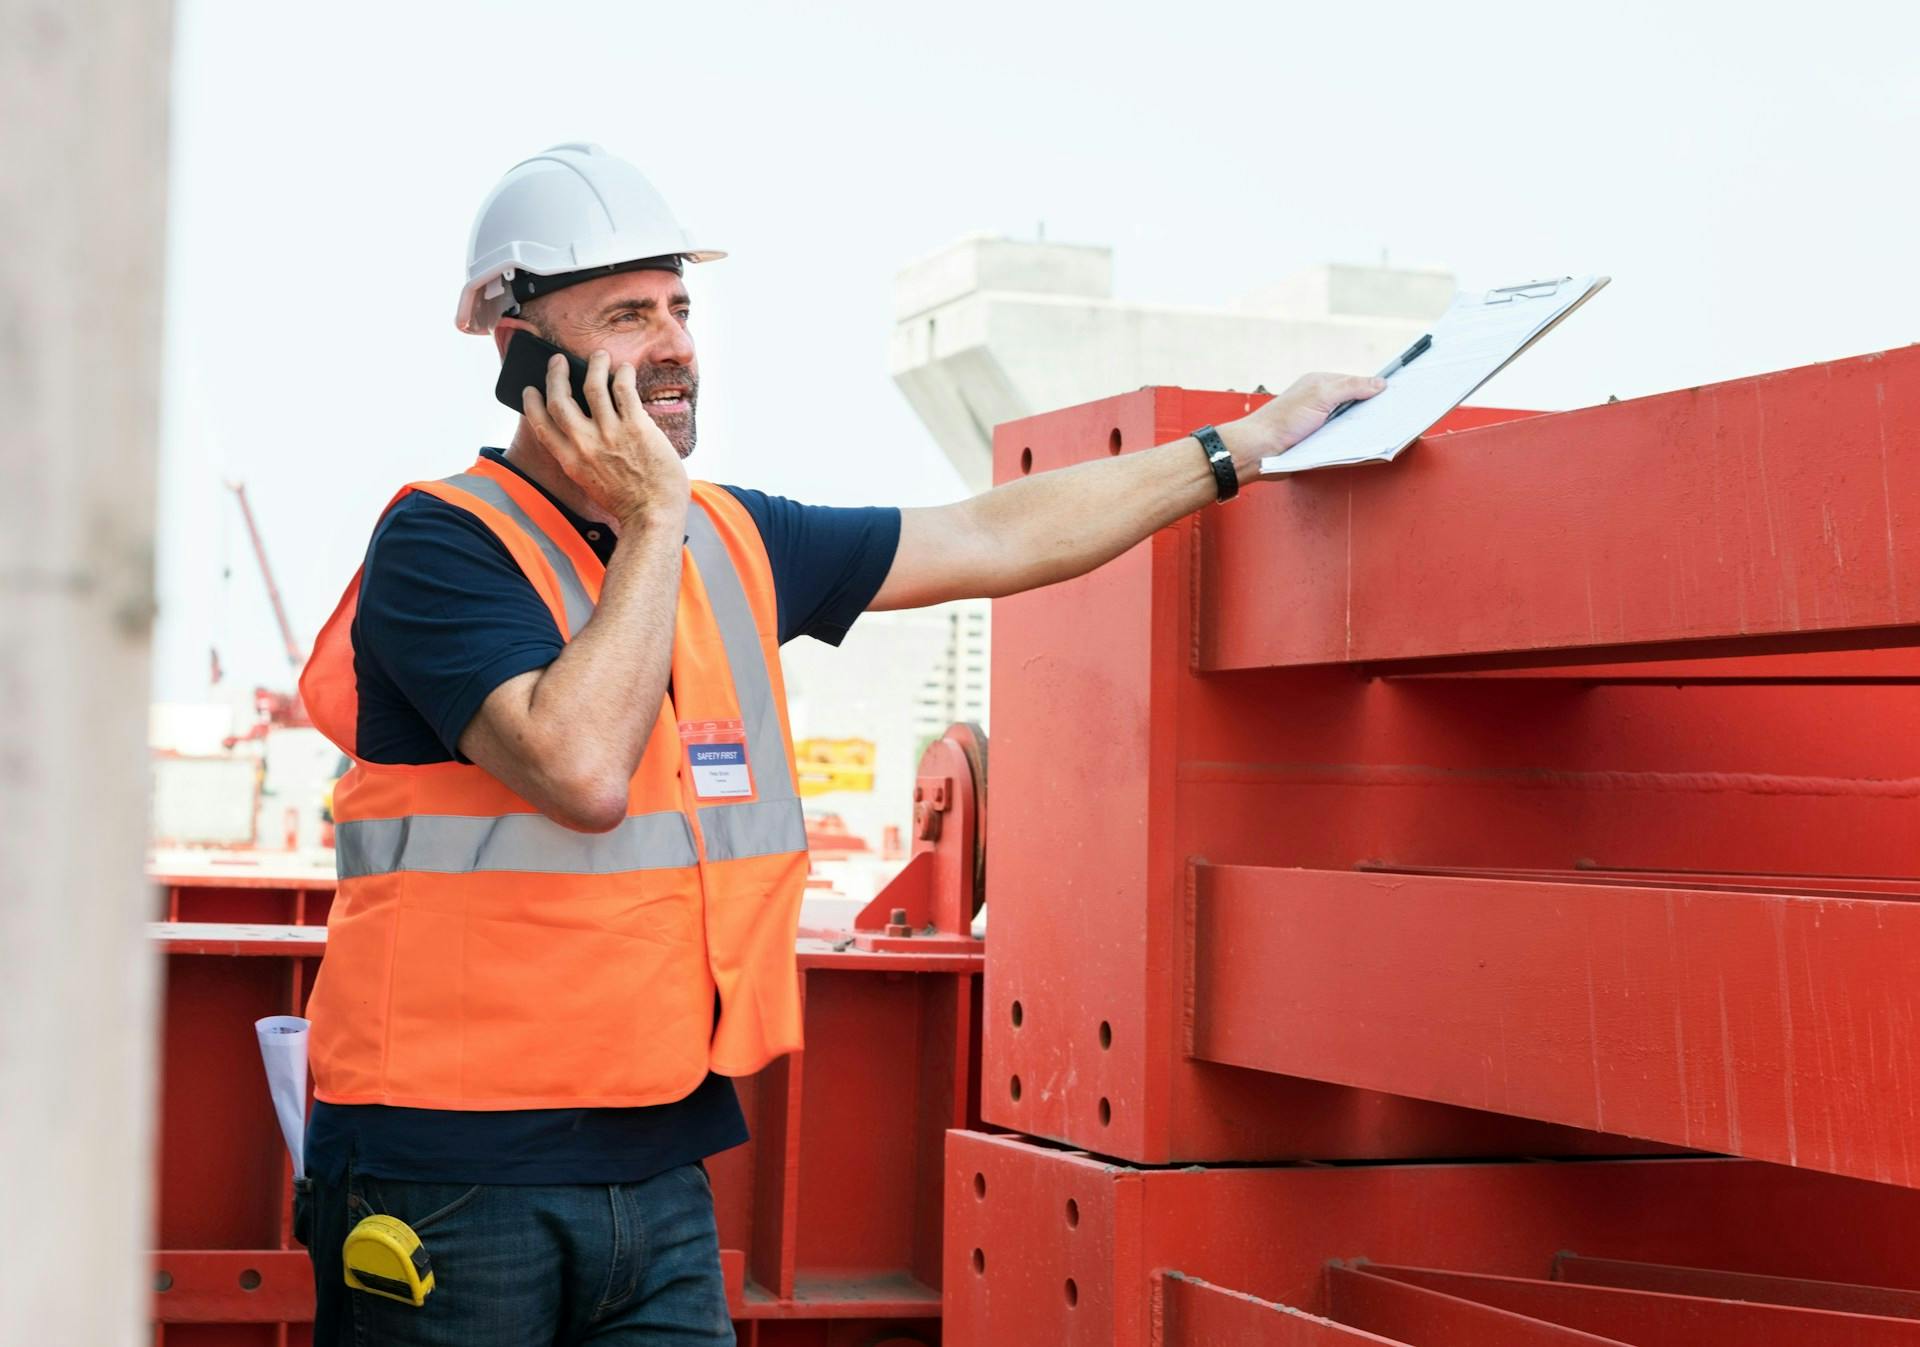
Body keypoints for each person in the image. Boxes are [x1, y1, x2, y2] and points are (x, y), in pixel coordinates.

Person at [294, 142, 1382, 1346]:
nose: (674, 345)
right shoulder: (443, 545)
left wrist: (1241, 448)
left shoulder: (728, 539)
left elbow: (991, 536)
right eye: (626, 317)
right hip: (447, 1175)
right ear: (520, 353)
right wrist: (652, 515)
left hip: (657, 1164)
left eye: (679, 309)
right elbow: (582, 770)